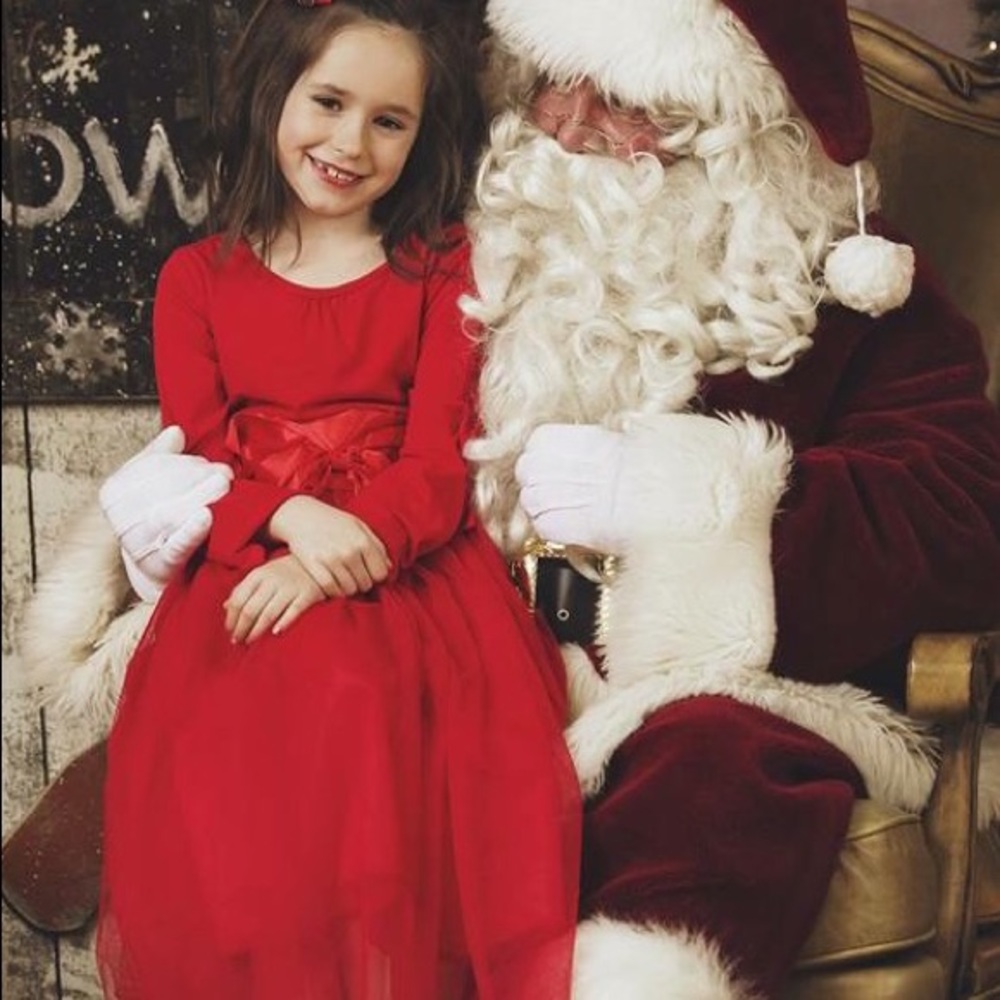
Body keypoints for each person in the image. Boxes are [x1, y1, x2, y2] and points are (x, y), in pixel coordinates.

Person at [8, 0, 1000, 997]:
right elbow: (297, 430)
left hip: (654, 691)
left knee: (713, 773)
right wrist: (161, 537)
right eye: (545, 83)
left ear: (743, 134)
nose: (566, 125)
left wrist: (686, 507)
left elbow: (961, 515)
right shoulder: (448, 243)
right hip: (418, 636)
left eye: (618, 100)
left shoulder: (840, 295)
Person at [74, 1, 581, 997]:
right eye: (330, 102)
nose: (350, 141)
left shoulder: (440, 268)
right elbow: (199, 451)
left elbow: (438, 460)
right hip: (253, 553)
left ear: (418, 136)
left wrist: (339, 551)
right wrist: (288, 523)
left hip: (406, 562)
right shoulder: (197, 278)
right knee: (242, 756)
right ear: (275, 96)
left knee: (360, 701)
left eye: (388, 120)